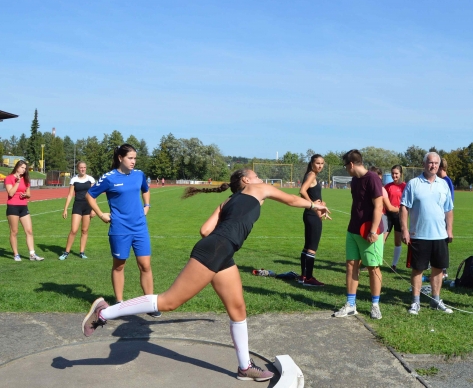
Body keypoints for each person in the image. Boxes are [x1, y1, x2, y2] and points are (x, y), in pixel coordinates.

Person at [81, 169, 329, 382]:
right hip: (217, 249)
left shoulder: (228, 202)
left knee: (238, 309)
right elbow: (291, 200)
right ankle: (104, 311)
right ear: (245, 180)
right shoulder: (259, 189)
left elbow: (205, 230)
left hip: (222, 252)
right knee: (168, 302)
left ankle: (245, 367)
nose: (259, 177)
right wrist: (314, 204)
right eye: (255, 175)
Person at [86, 144, 160, 317]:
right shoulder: (109, 178)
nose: (133, 161)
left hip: (140, 227)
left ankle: (149, 304)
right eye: (130, 158)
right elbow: (90, 195)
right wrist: (100, 214)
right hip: (120, 229)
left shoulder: (139, 175)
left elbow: (146, 190)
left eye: (135, 158)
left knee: (145, 265)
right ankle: (119, 304)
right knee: (119, 265)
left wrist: (147, 205)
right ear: (120, 158)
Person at [333, 150, 385, 320]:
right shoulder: (354, 181)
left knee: (373, 267)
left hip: (371, 232)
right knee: (350, 265)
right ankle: (350, 305)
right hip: (353, 229)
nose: (346, 170)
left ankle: (375, 305)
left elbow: (378, 206)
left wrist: (372, 231)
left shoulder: (373, 179)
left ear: (352, 164)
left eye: (346, 166)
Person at [401, 152, 453, 315]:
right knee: (418, 269)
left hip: (440, 236)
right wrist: (404, 229)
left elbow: (449, 209)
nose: (434, 166)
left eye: (436, 163)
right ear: (424, 164)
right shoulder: (414, 183)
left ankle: (435, 300)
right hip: (419, 235)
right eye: (431, 163)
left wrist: (449, 229)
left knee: (438, 269)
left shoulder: (443, 184)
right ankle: (415, 302)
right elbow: (404, 207)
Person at [298, 154, 331, 286]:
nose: (320, 166)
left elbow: (312, 193)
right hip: (312, 215)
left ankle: (303, 277)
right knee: (312, 248)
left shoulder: (310, 174)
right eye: (317, 163)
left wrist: (321, 204)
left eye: (322, 163)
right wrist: (314, 204)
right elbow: (302, 190)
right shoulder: (311, 175)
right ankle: (309, 278)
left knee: (307, 247)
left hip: (310, 214)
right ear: (312, 163)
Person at [5, 160, 44, 261]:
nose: (24, 170)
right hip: (13, 206)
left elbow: (29, 194)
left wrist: (26, 195)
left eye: (25, 168)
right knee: (14, 231)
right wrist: (17, 182)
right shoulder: (9, 178)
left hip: (23, 207)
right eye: (22, 167)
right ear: (17, 167)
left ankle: (32, 254)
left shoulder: (26, 179)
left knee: (29, 231)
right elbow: (10, 193)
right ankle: (16, 254)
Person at [60, 161, 96, 260]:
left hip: (88, 206)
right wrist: (65, 209)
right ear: (78, 168)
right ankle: (66, 252)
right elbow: (70, 195)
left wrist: (94, 209)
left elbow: (94, 195)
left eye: (84, 167)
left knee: (84, 230)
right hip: (77, 206)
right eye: (81, 167)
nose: (83, 169)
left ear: (86, 168)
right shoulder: (74, 179)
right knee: (74, 230)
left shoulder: (90, 179)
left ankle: (82, 252)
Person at [384, 165, 406, 270]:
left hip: (399, 216)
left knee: (397, 241)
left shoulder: (405, 187)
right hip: (387, 215)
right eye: (392, 173)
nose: (394, 175)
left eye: (396, 173)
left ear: (400, 174)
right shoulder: (387, 187)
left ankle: (394, 265)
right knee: (381, 240)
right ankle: (375, 263)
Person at [436, 158, 454, 277]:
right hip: (440, 217)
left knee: (442, 243)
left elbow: (449, 204)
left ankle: (443, 271)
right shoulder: (444, 180)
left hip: (443, 217)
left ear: (441, 168)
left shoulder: (445, 181)